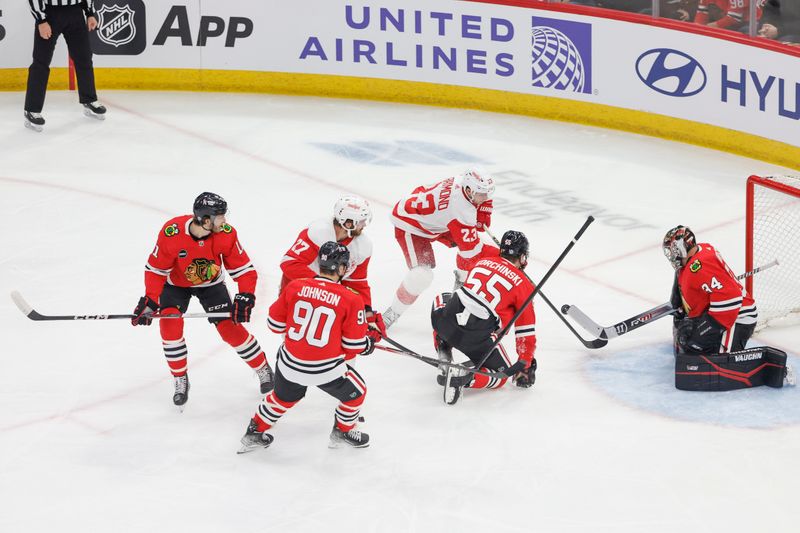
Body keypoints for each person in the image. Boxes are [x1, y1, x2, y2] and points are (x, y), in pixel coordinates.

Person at [131, 192, 274, 409]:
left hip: (211, 285)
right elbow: (156, 269)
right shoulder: (172, 232)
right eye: (219, 217)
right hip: (175, 285)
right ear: (205, 220)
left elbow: (244, 269)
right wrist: (150, 299)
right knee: (170, 326)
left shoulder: (226, 234)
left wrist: (246, 294)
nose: (224, 221)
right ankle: (180, 378)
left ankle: (263, 368)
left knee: (230, 329)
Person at [238, 241, 375, 453]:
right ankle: (343, 431)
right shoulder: (351, 298)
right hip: (325, 370)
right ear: (340, 268)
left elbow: (274, 325)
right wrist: (366, 343)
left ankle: (254, 431)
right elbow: (353, 345)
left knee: (283, 397)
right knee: (358, 392)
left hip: (289, 364)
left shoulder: (295, 286)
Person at [662, 226, 793, 390]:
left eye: (673, 250)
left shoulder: (701, 265)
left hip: (738, 316)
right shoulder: (697, 255)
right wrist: (679, 299)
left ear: (683, 247)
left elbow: (731, 299)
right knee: (688, 341)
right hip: (718, 311)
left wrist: (702, 331)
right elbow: (700, 285)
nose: (671, 255)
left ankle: (769, 368)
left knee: (713, 356)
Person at [383, 168, 499, 329]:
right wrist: (505, 256)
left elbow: (479, 224)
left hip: (436, 218)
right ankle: (391, 314)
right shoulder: (461, 210)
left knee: (474, 243)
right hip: (410, 224)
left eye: (487, 193)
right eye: (482, 194)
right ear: (468, 190)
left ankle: (459, 288)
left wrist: (482, 208)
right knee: (421, 276)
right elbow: (472, 252)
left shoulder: (462, 181)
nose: (486, 197)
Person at [430, 230, 537, 405]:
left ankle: (443, 347)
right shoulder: (524, 285)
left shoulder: (483, 261)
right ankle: (464, 377)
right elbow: (525, 333)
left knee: (443, 298)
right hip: (476, 337)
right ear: (523, 256)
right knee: (500, 377)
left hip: (446, 322)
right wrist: (524, 365)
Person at [280, 195, 385, 342]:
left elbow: (357, 283)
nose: (364, 225)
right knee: (297, 339)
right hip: (300, 291)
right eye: (361, 221)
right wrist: (323, 286)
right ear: (348, 223)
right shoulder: (318, 231)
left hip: (329, 296)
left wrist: (366, 314)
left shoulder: (363, 246)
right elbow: (289, 263)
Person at [25, 0, 106, 132]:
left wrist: (89, 12)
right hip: (49, 13)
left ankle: (89, 99)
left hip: (75, 12)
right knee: (41, 62)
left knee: (84, 58)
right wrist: (41, 20)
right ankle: (31, 110)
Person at [694, 0, 763, 31]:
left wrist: (706, 28)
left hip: (749, 22)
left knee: (745, 30)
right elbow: (701, 14)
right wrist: (697, 29)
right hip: (724, 21)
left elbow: (734, 18)